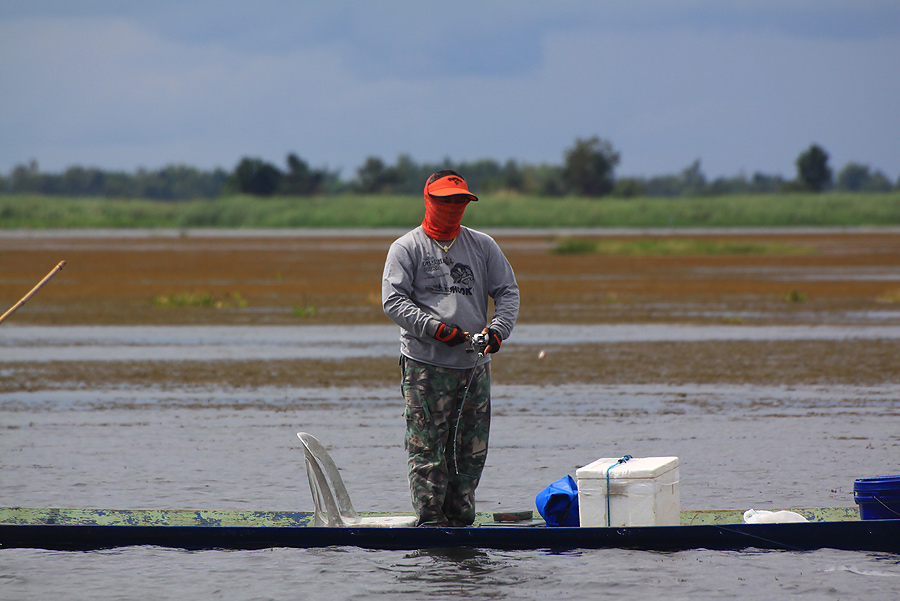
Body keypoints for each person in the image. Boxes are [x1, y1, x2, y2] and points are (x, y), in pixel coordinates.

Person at [382, 170, 520, 527]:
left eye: (459, 201)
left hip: (473, 366)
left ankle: (461, 524)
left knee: (469, 452)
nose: (453, 207)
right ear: (429, 200)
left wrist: (497, 331)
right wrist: (435, 328)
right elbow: (393, 301)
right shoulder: (407, 248)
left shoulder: (483, 246)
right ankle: (431, 524)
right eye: (445, 201)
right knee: (428, 449)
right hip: (426, 365)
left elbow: (507, 291)